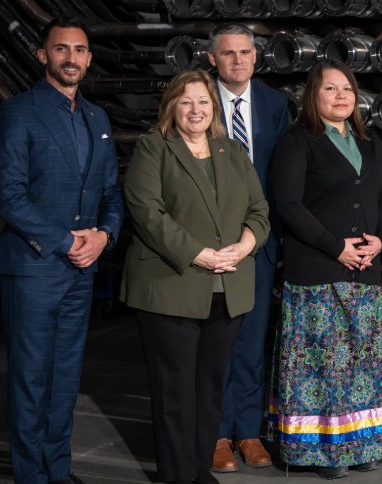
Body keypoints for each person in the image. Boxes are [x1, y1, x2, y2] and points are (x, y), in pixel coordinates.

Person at [120, 69, 271, 484]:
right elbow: (148, 213)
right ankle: (177, 475)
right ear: (171, 106)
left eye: (203, 101)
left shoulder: (232, 151)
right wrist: (199, 255)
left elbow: (259, 210)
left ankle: (199, 468)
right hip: (170, 287)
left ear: (214, 106)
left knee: (209, 388)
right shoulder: (154, 147)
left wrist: (244, 246)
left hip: (228, 287)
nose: (195, 109)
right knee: (175, 391)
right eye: (185, 101)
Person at [0, 16, 123, 484]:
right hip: (34, 266)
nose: (72, 58)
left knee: (65, 378)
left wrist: (105, 236)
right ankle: (31, 477)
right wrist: (67, 242)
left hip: (82, 269)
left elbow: (112, 191)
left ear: (89, 58)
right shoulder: (17, 111)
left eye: (80, 50)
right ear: (43, 54)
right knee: (30, 378)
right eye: (62, 48)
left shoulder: (97, 117)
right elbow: (10, 197)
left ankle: (58, 472)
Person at [266, 60, 382, 480]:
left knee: (362, 363)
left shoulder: (370, 141)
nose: (341, 96)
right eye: (330, 89)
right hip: (317, 271)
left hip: (365, 271)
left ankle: (363, 445)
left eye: (348, 89)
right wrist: (336, 247)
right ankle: (322, 452)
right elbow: (288, 205)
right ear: (312, 96)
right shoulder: (297, 140)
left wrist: (380, 240)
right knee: (322, 365)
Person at [204, 23, 289, 473]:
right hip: (211, 244)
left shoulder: (275, 104)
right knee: (217, 342)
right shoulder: (197, 99)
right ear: (212, 59)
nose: (237, 60)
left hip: (260, 241)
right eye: (228, 53)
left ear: (256, 58)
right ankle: (217, 433)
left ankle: (248, 432)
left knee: (253, 341)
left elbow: (283, 176)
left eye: (244, 53)